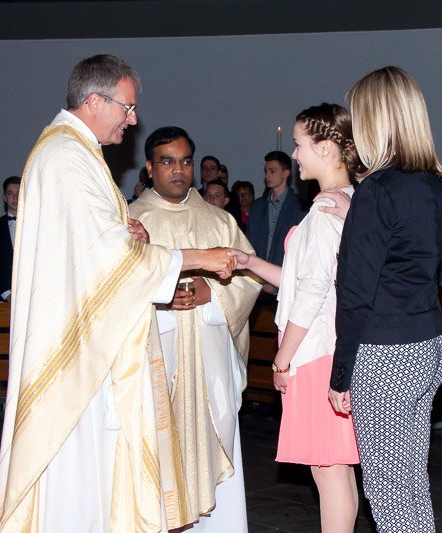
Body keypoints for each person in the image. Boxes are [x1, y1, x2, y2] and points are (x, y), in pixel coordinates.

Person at [0, 54, 236, 533]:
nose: (133, 118)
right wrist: (201, 258)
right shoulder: (67, 157)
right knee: (80, 471)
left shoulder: (73, 151)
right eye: (126, 107)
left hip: (85, 336)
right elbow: (111, 259)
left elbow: (94, 243)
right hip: (75, 351)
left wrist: (127, 232)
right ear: (94, 101)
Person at [327, 66, 442, 533]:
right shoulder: (431, 184)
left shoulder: (377, 190)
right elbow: (406, 255)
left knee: (390, 495)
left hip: (386, 356)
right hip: (427, 344)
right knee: (411, 486)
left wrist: (341, 373)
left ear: (375, 119)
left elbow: (355, 293)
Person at [232, 103, 361, 533]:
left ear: (325, 147)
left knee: (328, 470)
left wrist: (282, 358)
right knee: (335, 468)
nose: (295, 154)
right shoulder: (346, 200)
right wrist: (251, 262)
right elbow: (298, 278)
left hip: (314, 350)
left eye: (300, 144)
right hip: (326, 346)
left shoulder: (326, 206)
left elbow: (312, 291)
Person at [130, 126, 261, 531]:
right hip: (156, 366)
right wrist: (158, 296)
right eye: (167, 161)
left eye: (186, 161)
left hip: (209, 366)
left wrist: (214, 292)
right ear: (149, 167)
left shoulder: (219, 221)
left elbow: (250, 278)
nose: (179, 170)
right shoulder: (132, 222)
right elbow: (111, 291)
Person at [246, 150, 306, 270]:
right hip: (258, 272)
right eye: (266, 171)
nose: (267, 175)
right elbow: (250, 243)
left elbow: (301, 247)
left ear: (286, 173)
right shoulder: (257, 206)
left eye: (272, 171)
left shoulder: (299, 207)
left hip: (286, 272)